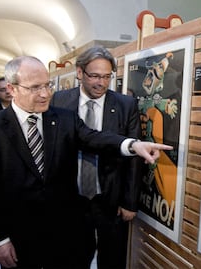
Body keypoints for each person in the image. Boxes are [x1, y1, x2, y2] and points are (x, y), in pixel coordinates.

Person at [0, 56, 171, 269]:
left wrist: (132, 145)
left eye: (47, 85)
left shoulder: (64, 118)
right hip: (19, 235)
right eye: (35, 87)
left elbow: (95, 138)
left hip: (67, 234)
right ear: (12, 89)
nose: (45, 93)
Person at [51, 46, 142, 269]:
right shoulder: (58, 101)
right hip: (71, 197)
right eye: (94, 76)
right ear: (80, 73)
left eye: (106, 76)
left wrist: (129, 202)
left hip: (109, 197)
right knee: (72, 256)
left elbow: (134, 157)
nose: (101, 83)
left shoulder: (125, 105)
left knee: (112, 258)